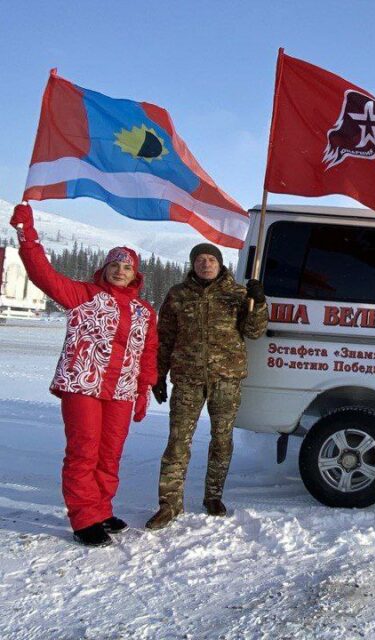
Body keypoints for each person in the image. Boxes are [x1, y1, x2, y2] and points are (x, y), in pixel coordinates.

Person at [9, 203, 158, 547]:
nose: (120, 271)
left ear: (135, 274)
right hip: (83, 385)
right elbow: (42, 274)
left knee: (110, 454)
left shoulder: (144, 311)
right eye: (115, 265)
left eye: (126, 267)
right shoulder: (82, 295)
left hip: (121, 390)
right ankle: (83, 517)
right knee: (84, 451)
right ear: (104, 268)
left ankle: (102, 509)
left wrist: (142, 390)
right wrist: (27, 235)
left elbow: (147, 353)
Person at [145, 243, 268, 529]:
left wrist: (258, 303)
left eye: (211, 259)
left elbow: (254, 331)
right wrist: (158, 376)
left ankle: (213, 496)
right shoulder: (178, 295)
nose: (205, 264)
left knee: (221, 441)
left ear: (220, 263)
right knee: (177, 442)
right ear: (193, 264)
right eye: (200, 260)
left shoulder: (237, 294)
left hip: (226, 379)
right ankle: (169, 504)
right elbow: (164, 338)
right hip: (187, 380)